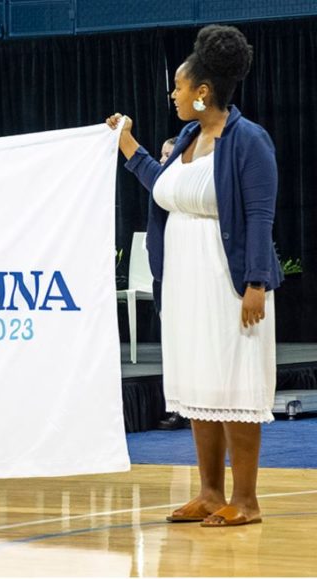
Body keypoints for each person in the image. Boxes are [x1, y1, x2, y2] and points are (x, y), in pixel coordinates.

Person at [107, 24, 282, 527]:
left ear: (202, 92)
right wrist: (128, 142)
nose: (174, 95)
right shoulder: (187, 138)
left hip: (227, 284)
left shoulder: (248, 140)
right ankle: (209, 493)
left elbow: (260, 215)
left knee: (234, 386)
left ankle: (245, 501)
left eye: (179, 87)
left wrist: (255, 284)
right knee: (200, 385)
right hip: (184, 284)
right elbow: (161, 187)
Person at [154, 137, 192, 431]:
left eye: (170, 154)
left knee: (190, 344)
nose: (164, 159)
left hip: (189, 276)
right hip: (164, 278)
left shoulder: (184, 189)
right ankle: (177, 405)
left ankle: (192, 405)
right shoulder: (159, 187)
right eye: (162, 155)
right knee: (173, 346)